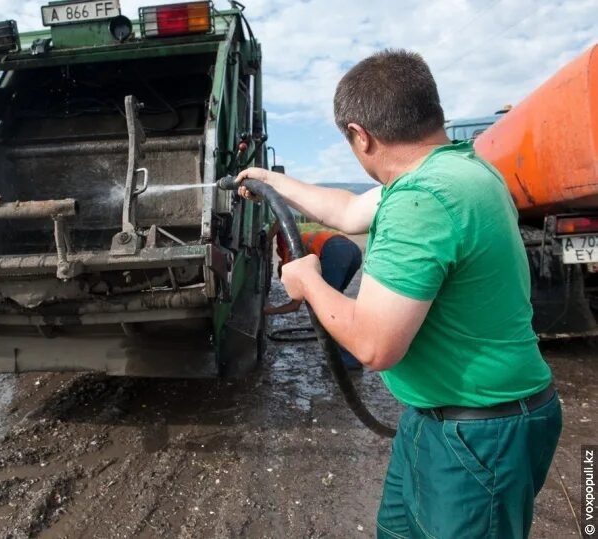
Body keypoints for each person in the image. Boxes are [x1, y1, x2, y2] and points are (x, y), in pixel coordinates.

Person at [236, 49, 560, 539]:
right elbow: (345, 209)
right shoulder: (461, 171)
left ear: (361, 136)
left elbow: (375, 345)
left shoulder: (421, 201)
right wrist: (268, 180)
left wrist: (308, 283)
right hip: (440, 418)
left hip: (478, 432)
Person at [265, 224, 364, 370]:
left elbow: (294, 306)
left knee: (329, 311)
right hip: (352, 250)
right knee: (337, 303)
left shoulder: (290, 259)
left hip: (334, 251)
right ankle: (350, 350)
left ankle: (349, 360)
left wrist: (266, 311)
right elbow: (280, 223)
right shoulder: (294, 244)